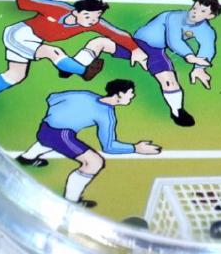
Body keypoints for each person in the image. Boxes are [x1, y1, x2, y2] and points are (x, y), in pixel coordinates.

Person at [0, 0, 147, 114]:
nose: (92, 21)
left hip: (32, 41)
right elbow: (26, 3)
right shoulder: (57, 9)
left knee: (15, 75)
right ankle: (82, 71)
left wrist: (135, 50)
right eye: (87, 16)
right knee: (53, 52)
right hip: (21, 34)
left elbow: (117, 34)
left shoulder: (93, 23)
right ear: (76, 12)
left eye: (96, 17)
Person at [13, 80, 161, 208]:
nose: (132, 96)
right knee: (94, 162)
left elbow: (52, 98)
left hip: (45, 127)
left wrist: (57, 117)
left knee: (49, 141)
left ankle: (26, 158)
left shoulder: (86, 94)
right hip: (61, 135)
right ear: (119, 95)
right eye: (130, 93)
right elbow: (109, 147)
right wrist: (136, 148)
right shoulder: (106, 115)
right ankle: (71, 201)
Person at [112, 0, 221, 127]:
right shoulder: (175, 17)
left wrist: (199, 68)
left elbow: (208, 47)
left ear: (210, 16)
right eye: (195, 8)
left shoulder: (206, 30)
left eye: (202, 11)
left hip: (155, 51)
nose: (195, 12)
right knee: (101, 43)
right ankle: (88, 64)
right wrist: (189, 56)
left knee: (169, 81)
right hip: (135, 43)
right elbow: (173, 40)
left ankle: (177, 111)